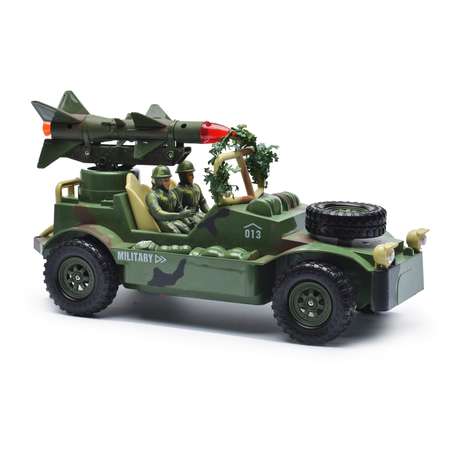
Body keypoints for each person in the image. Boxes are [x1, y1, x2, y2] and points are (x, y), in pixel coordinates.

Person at [145, 165, 195, 234]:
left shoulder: (172, 193)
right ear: (158, 181)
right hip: (163, 222)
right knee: (176, 232)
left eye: (169, 180)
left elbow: (179, 209)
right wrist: (179, 215)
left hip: (174, 219)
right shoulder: (152, 196)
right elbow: (158, 214)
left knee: (190, 230)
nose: (169, 183)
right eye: (166, 181)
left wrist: (188, 221)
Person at [174, 160, 209, 225]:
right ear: (183, 176)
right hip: (188, 217)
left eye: (192, 174)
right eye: (190, 174)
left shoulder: (196, 187)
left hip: (198, 214)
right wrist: (187, 220)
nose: (193, 176)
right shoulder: (178, 190)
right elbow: (178, 210)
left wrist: (210, 213)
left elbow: (203, 202)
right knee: (203, 224)